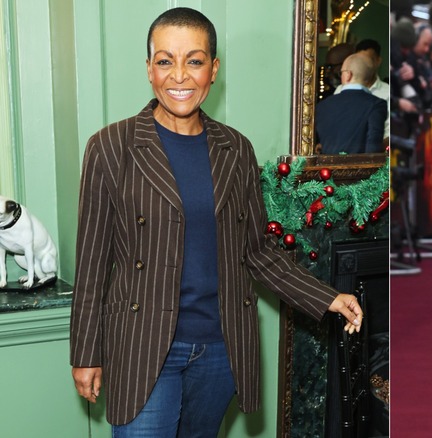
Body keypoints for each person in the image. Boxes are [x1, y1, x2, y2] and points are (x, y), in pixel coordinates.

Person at [69, 7, 363, 436]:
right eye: (165, 61)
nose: (179, 76)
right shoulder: (112, 146)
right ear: (149, 69)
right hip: (143, 344)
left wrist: (325, 297)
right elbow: (92, 260)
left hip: (220, 348)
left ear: (213, 69)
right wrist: (85, 351)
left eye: (194, 60)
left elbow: (256, 251)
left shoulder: (235, 149)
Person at [316, 52, 388, 154]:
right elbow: (373, 151)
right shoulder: (376, 105)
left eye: (342, 72)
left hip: (326, 168)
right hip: (361, 169)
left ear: (348, 75)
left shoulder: (322, 106)